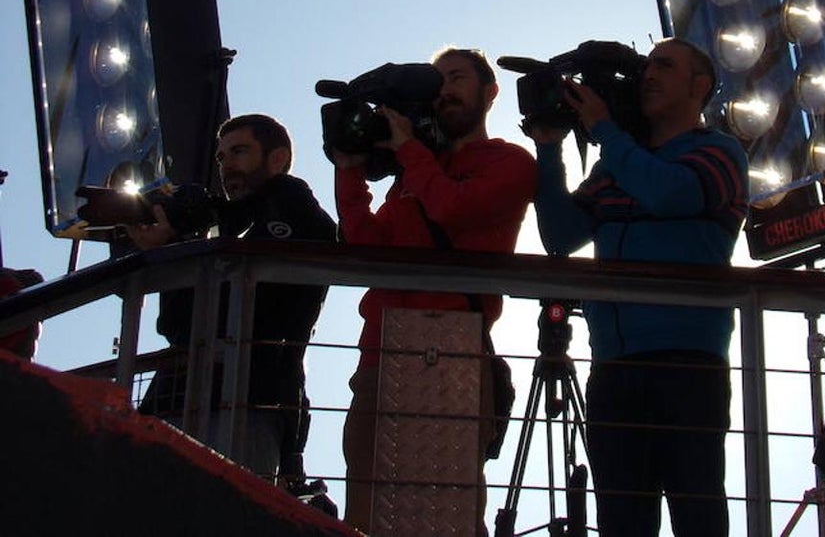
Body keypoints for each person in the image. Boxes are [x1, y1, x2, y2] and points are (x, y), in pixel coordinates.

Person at [527, 37, 749, 537]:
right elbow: (560, 235)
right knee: (622, 521)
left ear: (700, 85)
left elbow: (671, 192)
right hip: (613, 367)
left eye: (664, 65)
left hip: (688, 364)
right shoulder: (617, 164)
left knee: (698, 514)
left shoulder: (719, 151)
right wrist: (548, 146)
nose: (648, 74)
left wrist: (605, 130)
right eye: (647, 65)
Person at [333, 47, 536, 536]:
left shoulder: (509, 162)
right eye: (436, 81)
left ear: (489, 94)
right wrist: (349, 169)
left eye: (457, 78)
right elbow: (366, 242)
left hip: (452, 350)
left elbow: (453, 209)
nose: (444, 89)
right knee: (365, 517)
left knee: (449, 520)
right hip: (378, 353)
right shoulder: (415, 169)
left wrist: (407, 152)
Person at [128, 113, 335, 485]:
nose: (227, 167)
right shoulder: (223, 232)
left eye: (239, 152)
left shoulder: (299, 214)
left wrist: (194, 235)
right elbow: (176, 326)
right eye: (221, 158)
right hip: (178, 398)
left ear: (277, 159)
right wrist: (173, 246)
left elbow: (259, 308)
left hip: (249, 403)